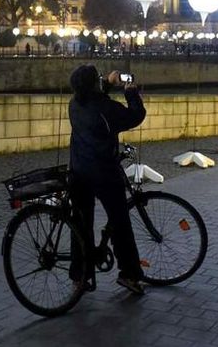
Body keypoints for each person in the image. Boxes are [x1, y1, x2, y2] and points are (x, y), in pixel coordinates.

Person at [67, 65, 147, 296]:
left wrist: (108, 85)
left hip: (78, 171)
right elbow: (135, 115)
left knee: (80, 224)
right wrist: (130, 91)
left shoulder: (74, 104)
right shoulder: (107, 108)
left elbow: (94, 102)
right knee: (120, 221)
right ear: (94, 83)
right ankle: (129, 274)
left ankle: (80, 277)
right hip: (104, 172)